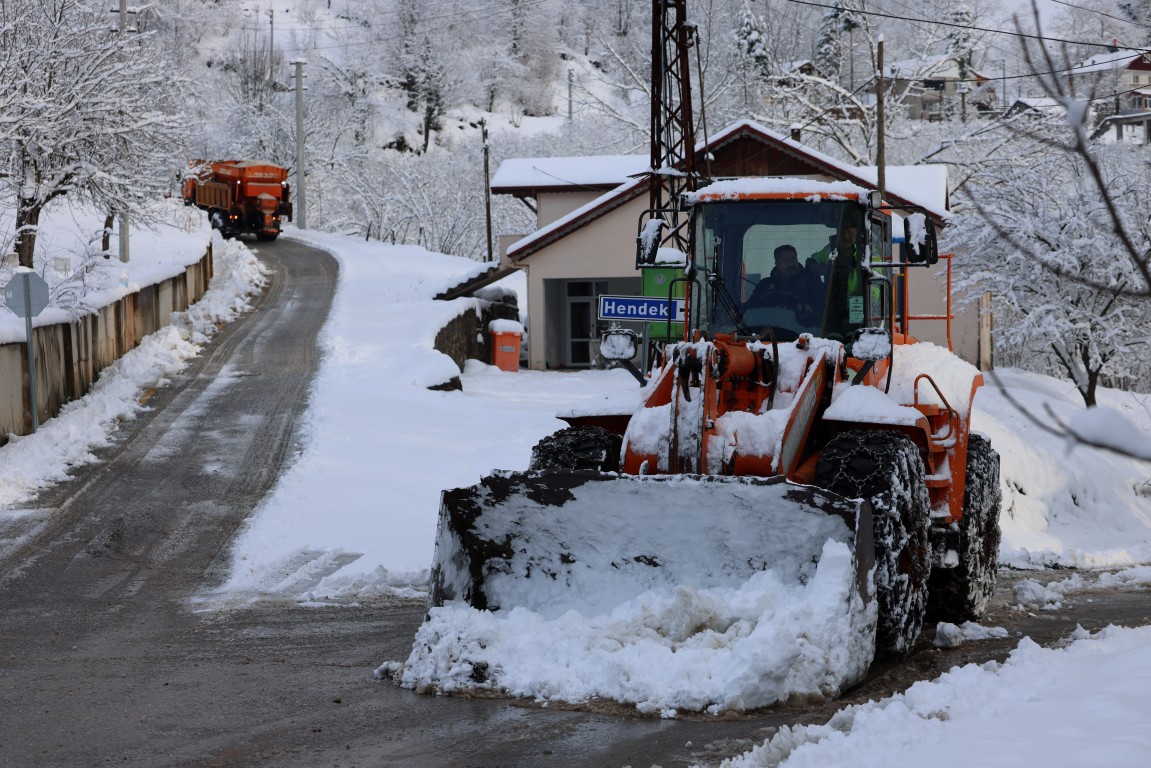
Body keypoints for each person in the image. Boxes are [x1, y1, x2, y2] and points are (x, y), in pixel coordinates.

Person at [745, 244, 819, 324]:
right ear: (777, 263)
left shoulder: (810, 282)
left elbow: (824, 310)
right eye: (786, 260)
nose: (791, 263)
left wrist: (810, 310)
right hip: (769, 332)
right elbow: (749, 310)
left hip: (803, 333)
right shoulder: (765, 284)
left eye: (793, 259)